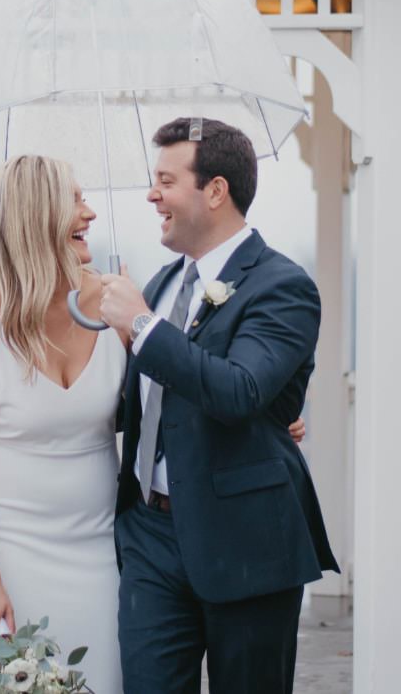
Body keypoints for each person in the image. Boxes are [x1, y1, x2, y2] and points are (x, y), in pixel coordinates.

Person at [100, 118, 339, 694]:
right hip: (150, 537)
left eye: (165, 180)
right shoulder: (157, 284)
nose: (152, 194)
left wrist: (140, 326)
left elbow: (240, 392)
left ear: (215, 190)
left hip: (247, 542)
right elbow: (142, 403)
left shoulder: (283, 285)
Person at [0, 155, 126, 693]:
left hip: (104, 553)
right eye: (74, 201)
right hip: (11, 557)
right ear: (33, 216)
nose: (89, 212)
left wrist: (271, 419)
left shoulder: (115, 302)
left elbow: (170, 403)